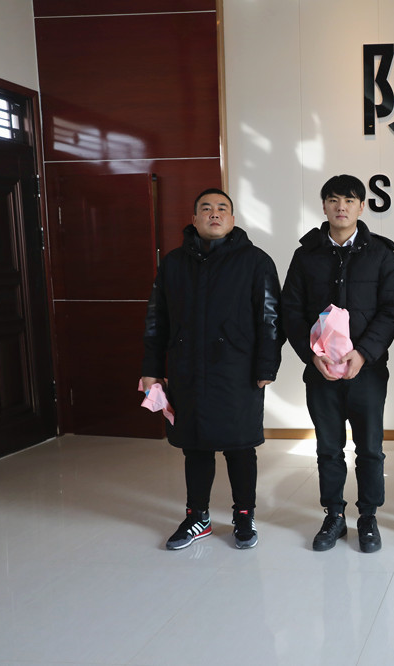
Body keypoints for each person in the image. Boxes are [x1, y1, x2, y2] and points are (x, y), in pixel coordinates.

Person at [141, 188, 283, 550]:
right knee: (195, 445)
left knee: (240, 446)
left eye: (222, 208)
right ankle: (197, 517)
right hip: (187, 368)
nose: (214, 213)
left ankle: (244, 516)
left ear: (232, 220)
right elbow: (157, 318)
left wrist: (267, 365)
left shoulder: (255, 261)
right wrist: (152, 368)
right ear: (194, 219)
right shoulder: (174, 263)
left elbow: (270, 317)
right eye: (206, 208)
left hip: (238, 370)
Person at [280, 175, 394, 554]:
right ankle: (334, 515)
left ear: (362, 206)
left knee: (370, 449)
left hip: (367, 371)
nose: (341, 207)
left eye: (349, 200)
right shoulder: (306, 255)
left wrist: (363, 353)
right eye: (333, 200)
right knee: (328, 448)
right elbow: (290, 311)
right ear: (324, 206)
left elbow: (392, 310)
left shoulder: (381, 254)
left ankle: (368, 517)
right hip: (321, 371)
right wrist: (310, 354)